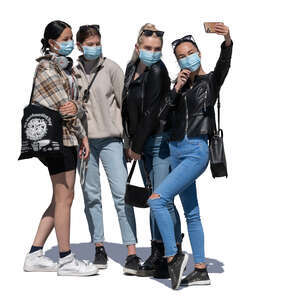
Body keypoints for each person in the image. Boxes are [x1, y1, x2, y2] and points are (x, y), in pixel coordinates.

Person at [147, 23, 233, 289]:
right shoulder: (180, 87)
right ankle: (200, 269)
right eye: (182, 55)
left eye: (190, 52)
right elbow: (162, 117)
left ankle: (173, 256)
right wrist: (175, 89)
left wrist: (227, 39)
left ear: (199, 53)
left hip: (196, 151)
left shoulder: (211, 82)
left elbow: (225, 62)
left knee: (158, 200)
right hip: (175, 151)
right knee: (192, 213)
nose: (187, 57)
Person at [23, 20, 98, 277]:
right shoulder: (47, 67)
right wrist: (77, 114)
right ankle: (66, 260)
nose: (68, 43)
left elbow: (76, 105)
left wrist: (81, 130)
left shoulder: (66, 69)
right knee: (65, 198)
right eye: (65, 38)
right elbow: (64, 106)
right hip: (58, 140)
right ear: (51, 41)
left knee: (60, 198)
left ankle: (34, 254)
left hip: (68, 138)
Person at [75, 25, 140, 275]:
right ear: (80, 46)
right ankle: (98, 246)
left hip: (112, 139)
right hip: (85, 142)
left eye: (97, 42)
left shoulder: (111, 67)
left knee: (122, 196)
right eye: (89, 43)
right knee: (91, 197)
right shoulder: (72, 71)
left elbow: (125, 107)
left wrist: (128, 142)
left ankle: (131, 252)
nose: (94, 47)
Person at [122, 23, 182, 278]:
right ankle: (158, 250)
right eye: (148, 48)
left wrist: (135, 146)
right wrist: (130, 141)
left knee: (161, 198)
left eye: (157, 49)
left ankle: (172, 252)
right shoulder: (131, 69)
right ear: (138, 47)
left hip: (157, 141)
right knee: (153, 197)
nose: (153, 52)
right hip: (140, 142)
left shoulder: (158, 71)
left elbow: (151, 114)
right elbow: (127, 108)